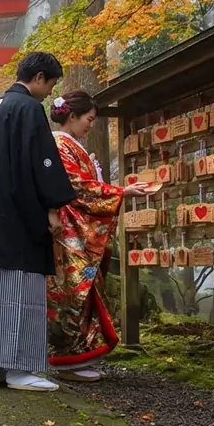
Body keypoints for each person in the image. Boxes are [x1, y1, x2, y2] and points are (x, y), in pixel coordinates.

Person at [0, 52, 77, 392]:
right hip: (18, 219)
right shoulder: (28, 109)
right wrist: (52, 206)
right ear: (38, 77)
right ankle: (19, 369)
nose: (50, 92)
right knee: (18, 292)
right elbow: (41, 162)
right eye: (51, 84)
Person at [45, 91, 149, 382]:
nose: (91, 125)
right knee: (72, 293)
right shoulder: (60, 145)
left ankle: (78, 356)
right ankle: (67, 359)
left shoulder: (69, 145)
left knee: (83, 292)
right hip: (70, 231)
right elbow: (77, 187)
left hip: (77, 229)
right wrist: (121, 191)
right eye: (89, 119)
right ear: (72, 116)